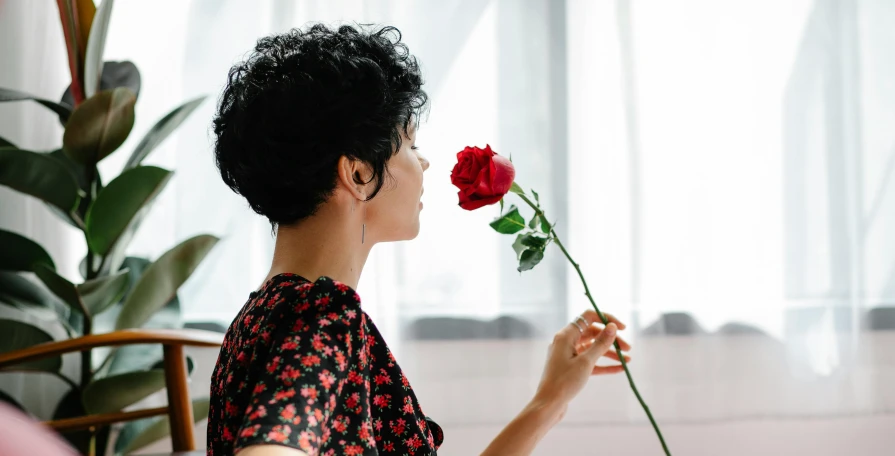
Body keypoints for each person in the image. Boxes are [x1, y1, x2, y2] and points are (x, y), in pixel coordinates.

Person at [207, 23, 632, 456]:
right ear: (358, 173)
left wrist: (549, 400)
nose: (424, 162)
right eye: (410, 143)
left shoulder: (257, 319)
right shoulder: (325, 319)